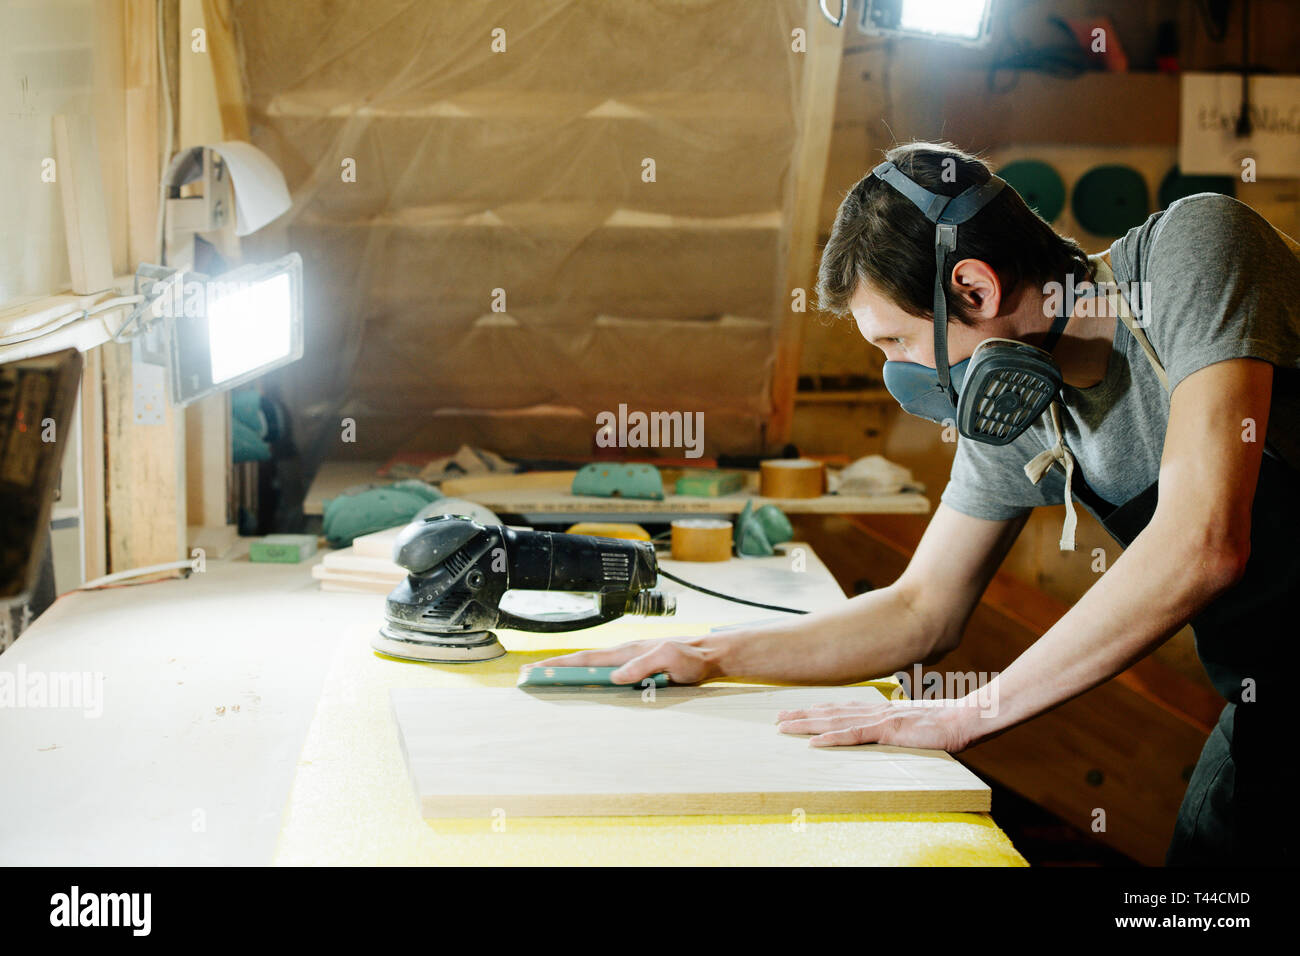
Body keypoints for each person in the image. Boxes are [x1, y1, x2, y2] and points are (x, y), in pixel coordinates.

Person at [532, 142, 1300, 866]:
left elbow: (1203, 541)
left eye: (897, 343)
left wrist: (967, 714)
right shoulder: (1018, 399)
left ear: (974, 288)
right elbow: (921, 609)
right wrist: (711, 653)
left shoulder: (1194, 250)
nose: (897, 374)